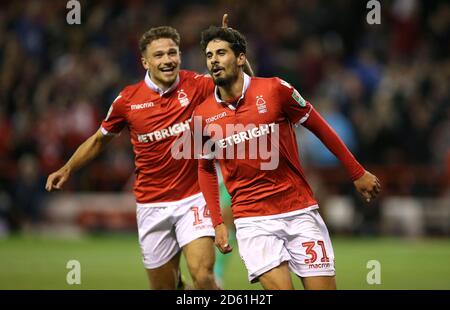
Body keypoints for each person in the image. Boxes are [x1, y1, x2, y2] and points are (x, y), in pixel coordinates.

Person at [46, 16, 252, 290]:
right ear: (145, 62)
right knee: (165, 288)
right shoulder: (127, 101)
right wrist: (67, 168)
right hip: (151, 205)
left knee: (203, 276)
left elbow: (245, 84)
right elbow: (98, 140)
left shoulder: (198, 85)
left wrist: (232, 47)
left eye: (172, 53)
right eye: (158, 55)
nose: (167, 60)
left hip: (195, 198)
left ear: (179, 55)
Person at [192, 26, 381, 290]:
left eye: (221, 52)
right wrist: (218, 222)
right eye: (209, 55)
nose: (213, 60)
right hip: (252, 221)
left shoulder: (275, 90)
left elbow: (320, 127)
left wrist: (356, 171)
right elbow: (205, 169)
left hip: (299, 211)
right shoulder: (202, 115)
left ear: (241, 58)